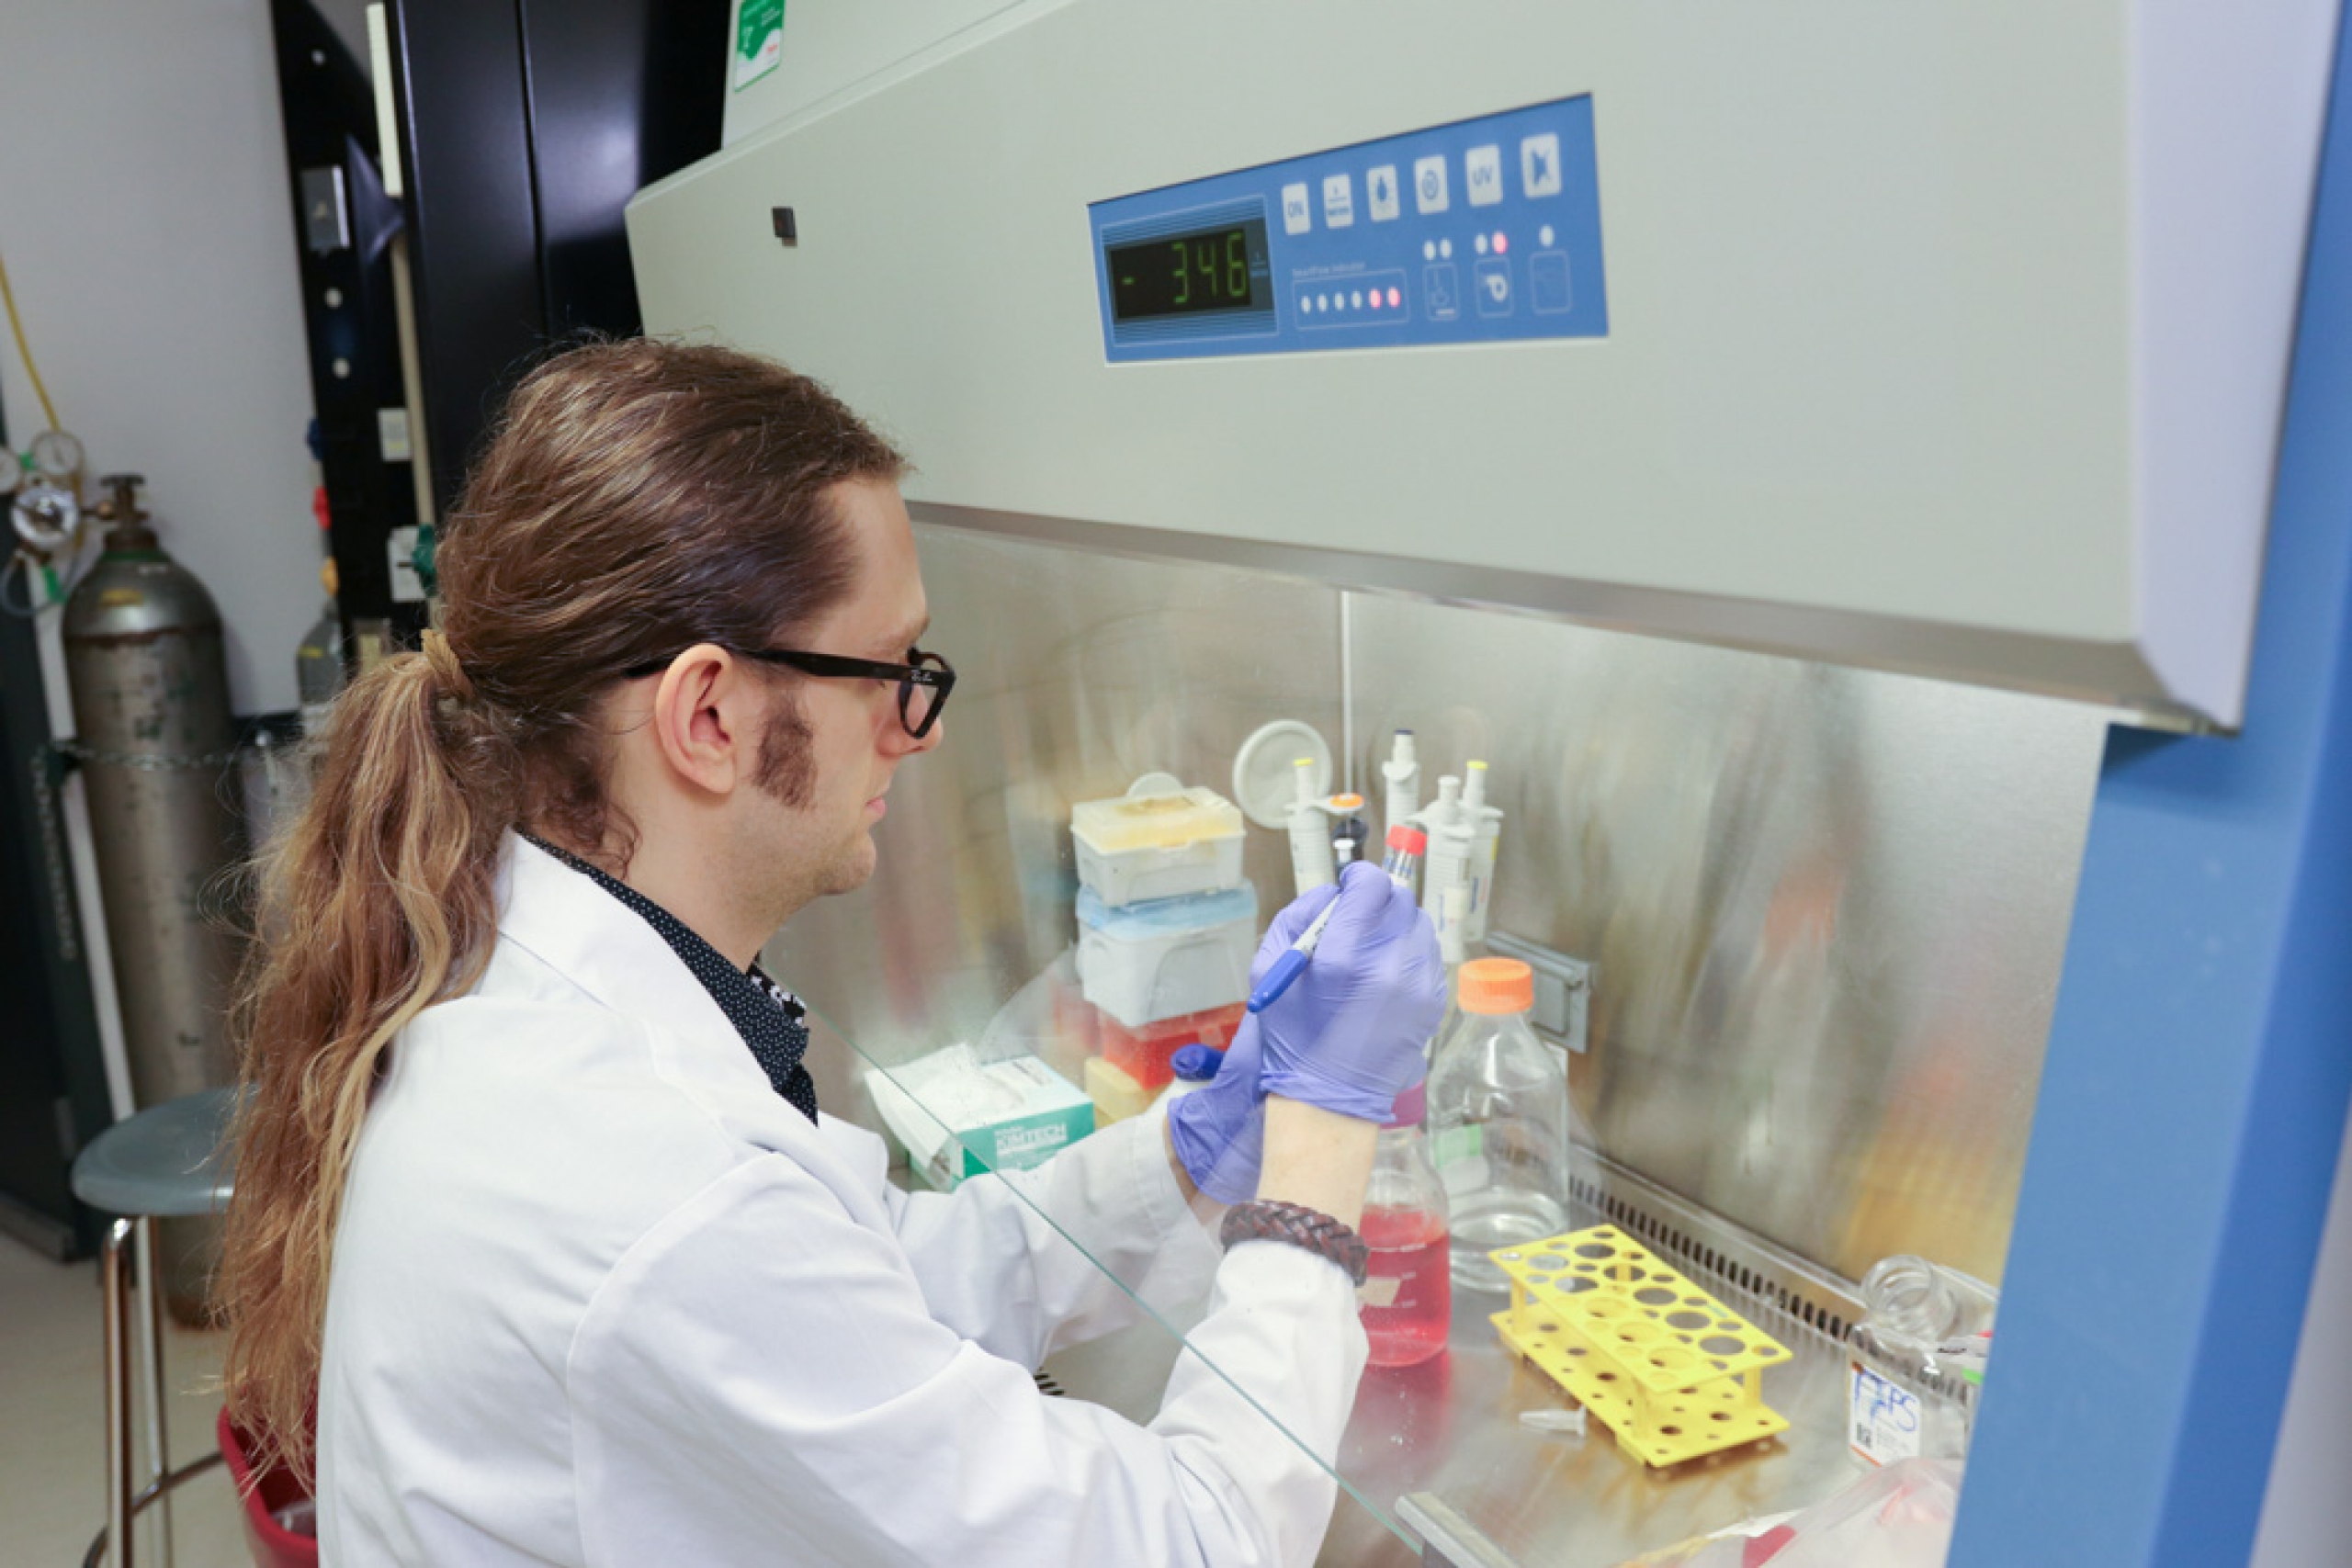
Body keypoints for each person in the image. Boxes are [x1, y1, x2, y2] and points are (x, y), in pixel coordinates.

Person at [217, 338, 1445, 1566]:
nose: (919, 731)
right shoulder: (655, 1185)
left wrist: (1190, 1156)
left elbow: (879, 1285)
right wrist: (1321, 1156)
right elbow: (1198, 1541)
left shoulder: (521, 967)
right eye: (891, 672)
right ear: (709, 718)